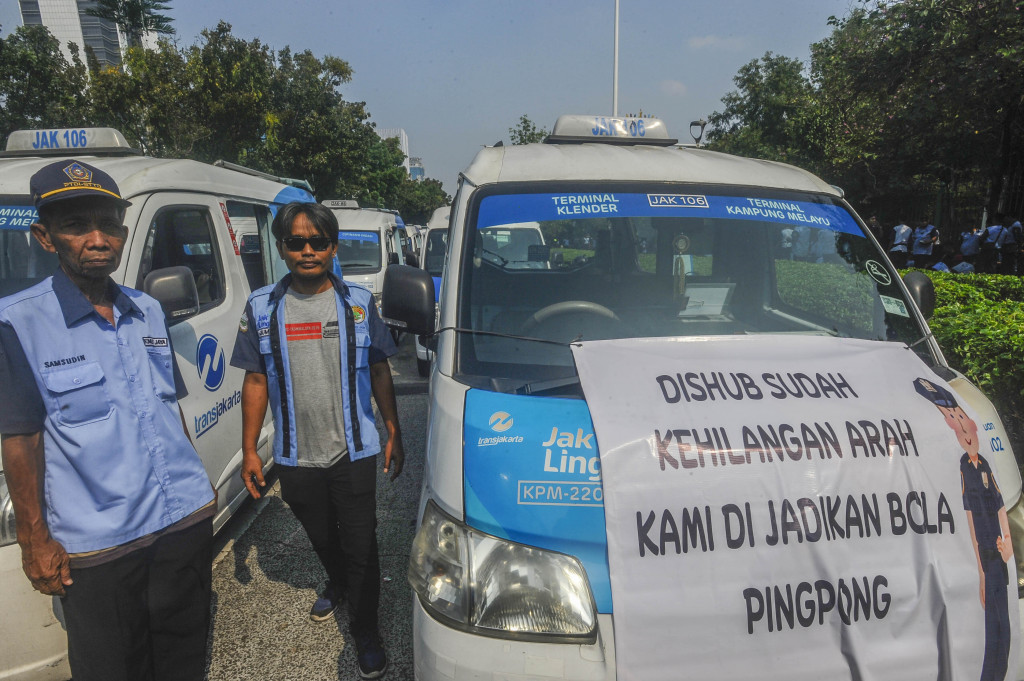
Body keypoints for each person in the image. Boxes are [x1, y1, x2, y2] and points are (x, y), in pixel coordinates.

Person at [0, 160, 216, 681]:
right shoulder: (18, 323)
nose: (98, 240)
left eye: (109, 226)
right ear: (45, 237)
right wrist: (35, 541)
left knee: (184, 657)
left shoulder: (148, 310)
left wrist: (198, 482)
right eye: (77, 226)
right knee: (111, 667)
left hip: (181, 520)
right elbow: (21, 440)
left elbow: (168, 406)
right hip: (100, 544)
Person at [230, 202, 404, 680]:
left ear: (333, 247)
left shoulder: (358, 304)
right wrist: (250, 450)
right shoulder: (261, 307)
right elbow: (255, 380)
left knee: (361, 545)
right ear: (281, 248)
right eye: (296, 242)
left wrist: (394, 430)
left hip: (354, 451)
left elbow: (379, 369)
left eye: (318, 242)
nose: (307, 251)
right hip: (294, 456)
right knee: (323, 536)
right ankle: (339, 582)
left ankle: (365, 631)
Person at [914, 377, 1012, 681]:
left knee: (1004, 623)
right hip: (986, 554)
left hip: (999, 552)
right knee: (993, 624)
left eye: (959, 415)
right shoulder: (965, 467)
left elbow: (1000, 504)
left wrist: (1008, 539)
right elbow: (969, 516)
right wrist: (980, 571)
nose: (962, 426)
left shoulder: (984, 464)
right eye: (951, 417)